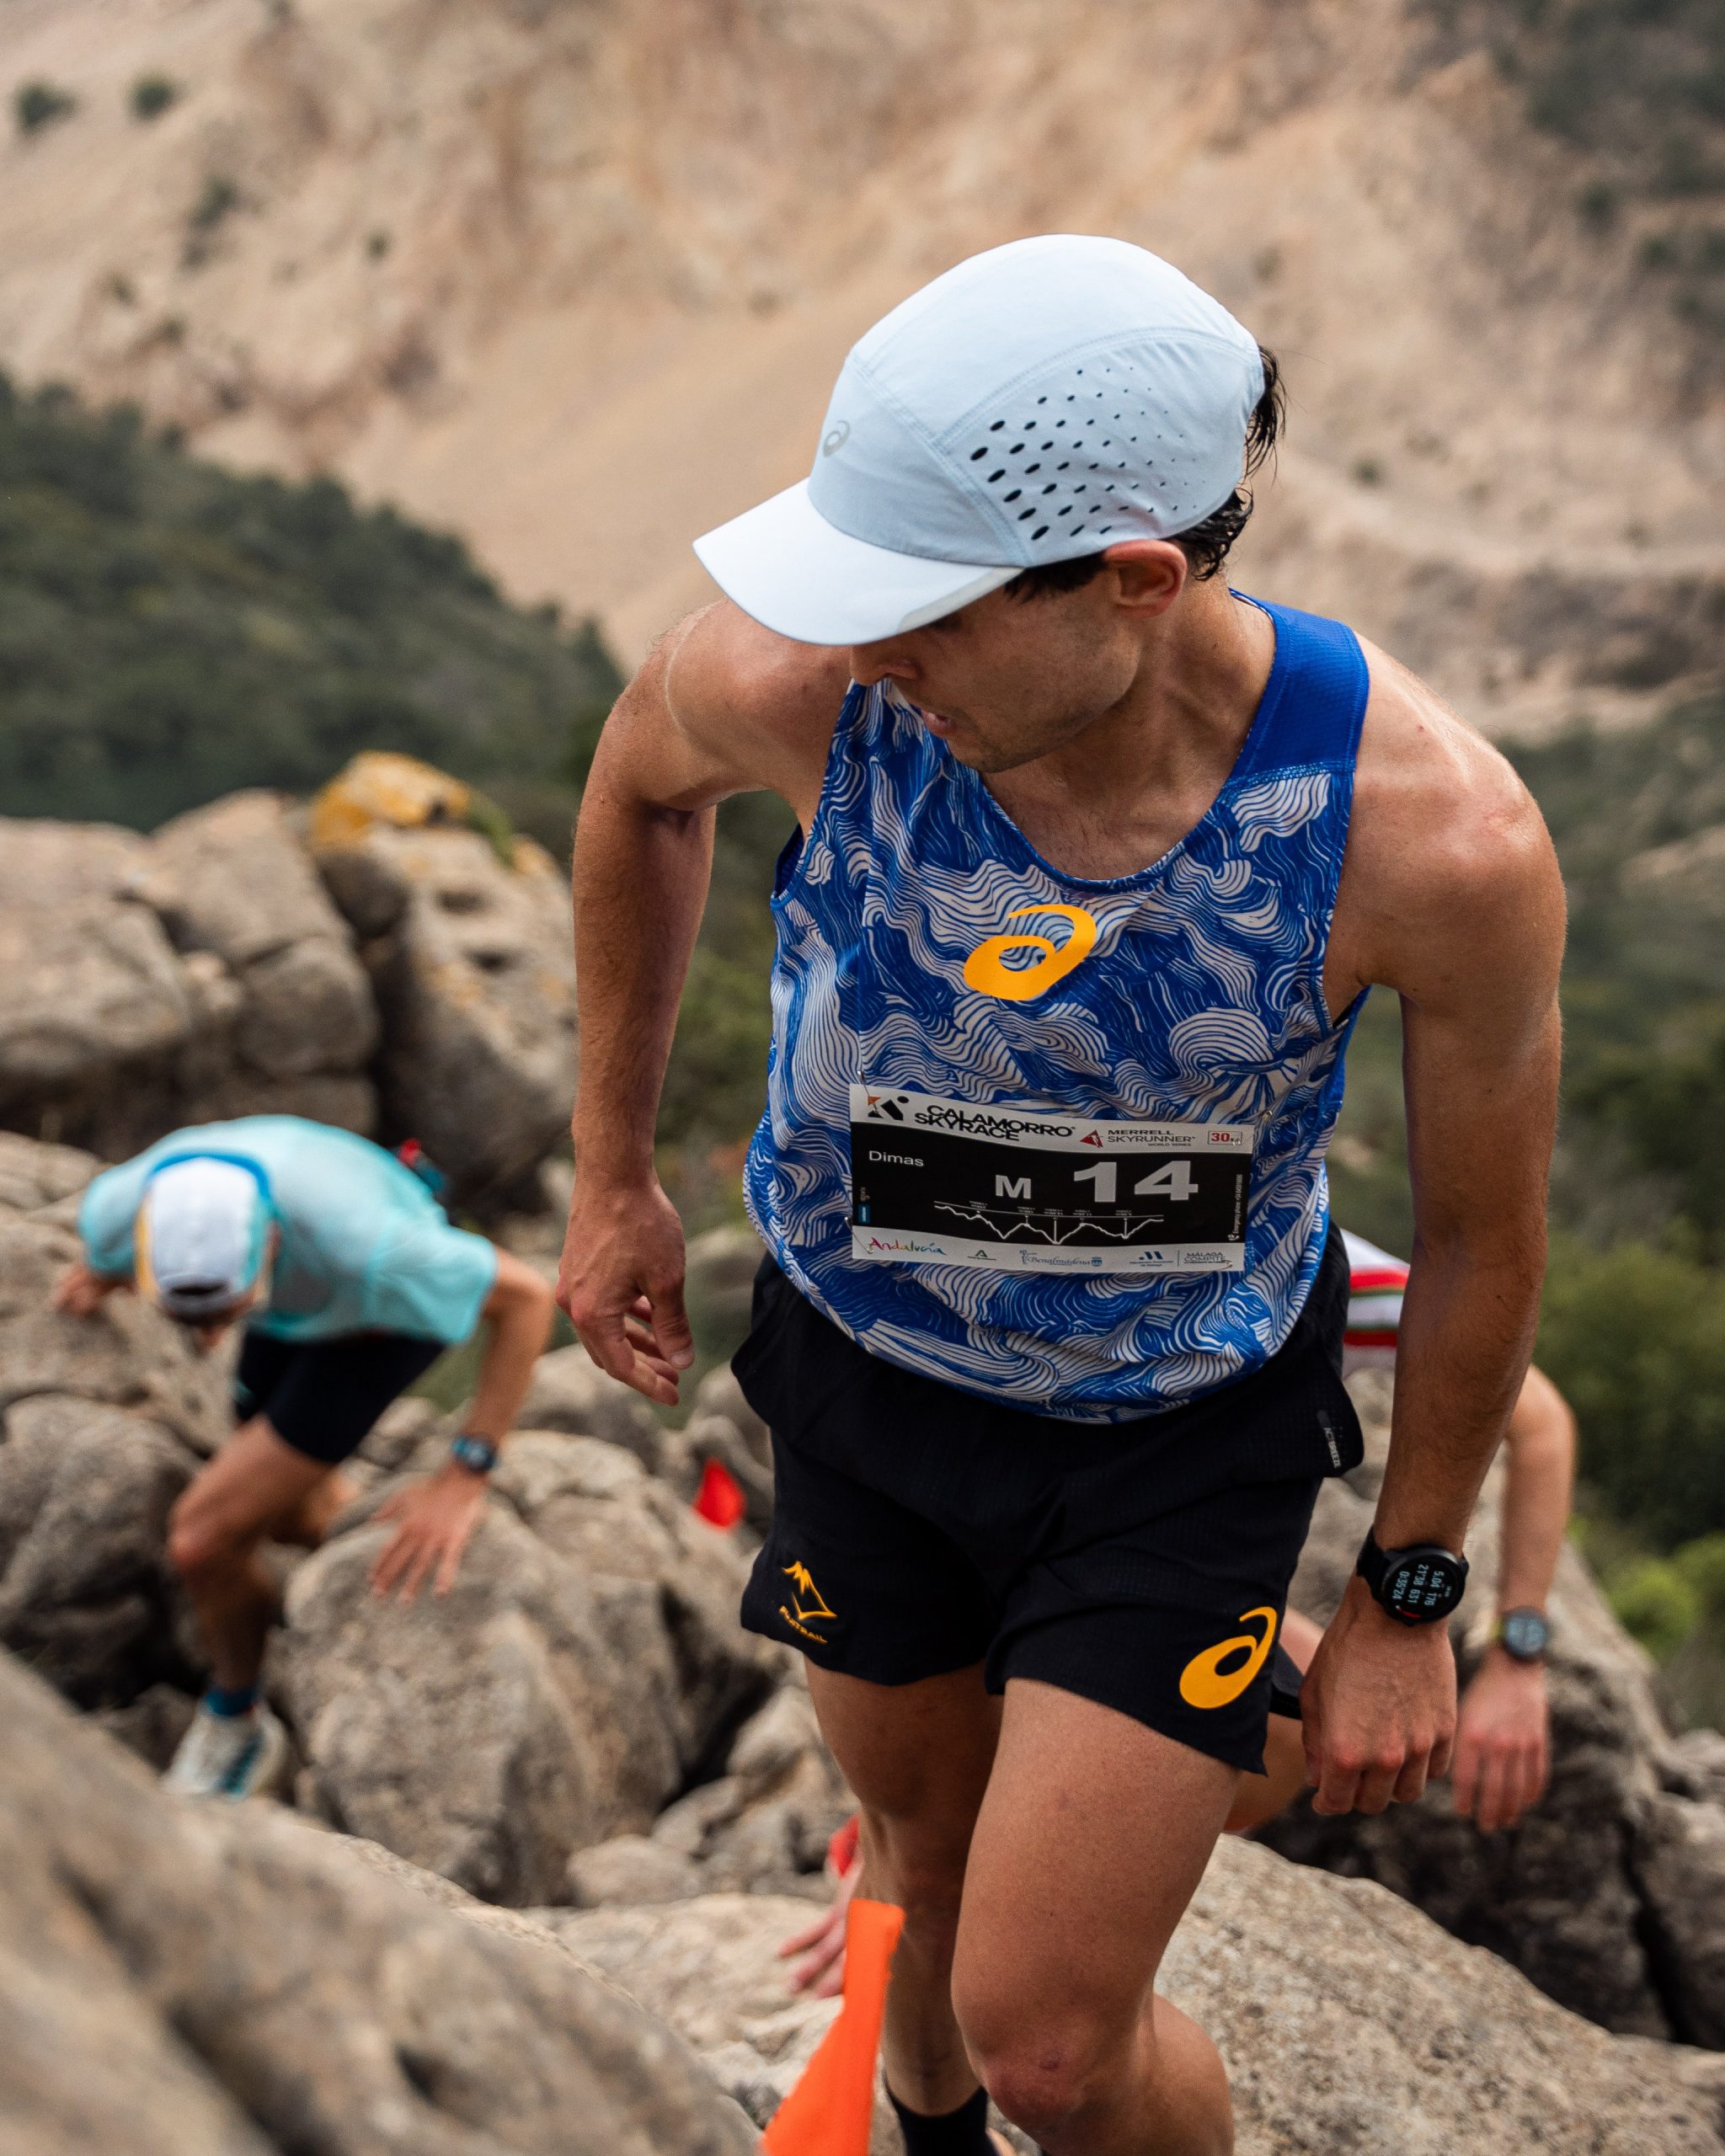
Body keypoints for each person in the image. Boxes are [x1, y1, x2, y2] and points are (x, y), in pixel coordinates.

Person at [558, 236, 1564, 2156]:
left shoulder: (1425, 839)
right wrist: (610, 1175)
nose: (870, 654)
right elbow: (638, 786)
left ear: (1133, 581)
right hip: (859, 1373)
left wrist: (1411, 1590)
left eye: (920, 615)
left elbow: (1481, 1238)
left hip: (1172, 1432)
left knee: (1046, 2040)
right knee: (920, 1855)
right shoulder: (805, 685)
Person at [782, 1226, 1578, 1999]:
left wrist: (1516, 1654)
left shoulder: (1283, 1258)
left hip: (1143, 1574)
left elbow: (1538, 1419)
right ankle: (954, 1858)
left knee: (1291, 1705)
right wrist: (904, 1847)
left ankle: (1095, 1873)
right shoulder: (981, 1269)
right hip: (965, 1529)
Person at [56, 1115, 554, 1800]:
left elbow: (529, 1299)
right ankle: (334, 1569)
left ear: (269, 1242)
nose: (209, 1338)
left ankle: (237, 1720)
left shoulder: (381, 1255)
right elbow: (131, 1259)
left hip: (377, 1321)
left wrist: (464, 1475)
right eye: (186, 1317)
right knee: (284, 1514)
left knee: (202, 1542)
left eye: (224, 1311)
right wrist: (106, 1274)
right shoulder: (115, 1214)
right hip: (293, 1302)